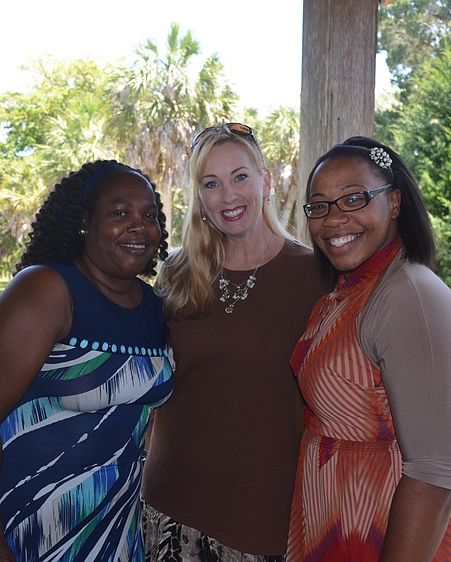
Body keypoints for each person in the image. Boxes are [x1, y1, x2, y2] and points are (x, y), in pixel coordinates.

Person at [0, 160, 174, 562]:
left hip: (115, 528)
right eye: (120, 212)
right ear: (84, 221)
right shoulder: (46, 290)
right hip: (27, 528)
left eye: (149, 215)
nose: (139, 226)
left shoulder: (155, 308)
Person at [287, 137, 451, 561]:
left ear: (394, 202)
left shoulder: (412, 297)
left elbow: (434, 476)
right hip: (344, 515)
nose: (333, 219)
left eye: (353, 199)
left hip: (397, 532)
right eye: (319, 205)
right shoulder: (353, 289)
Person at [141, 123, 328, 561]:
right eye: (211, 183)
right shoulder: (177, 274)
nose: (228, 196)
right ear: (200, 197)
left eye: (240, 177)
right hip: (168, 507)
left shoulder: (316, 276)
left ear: (265, 181)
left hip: (262, 518)